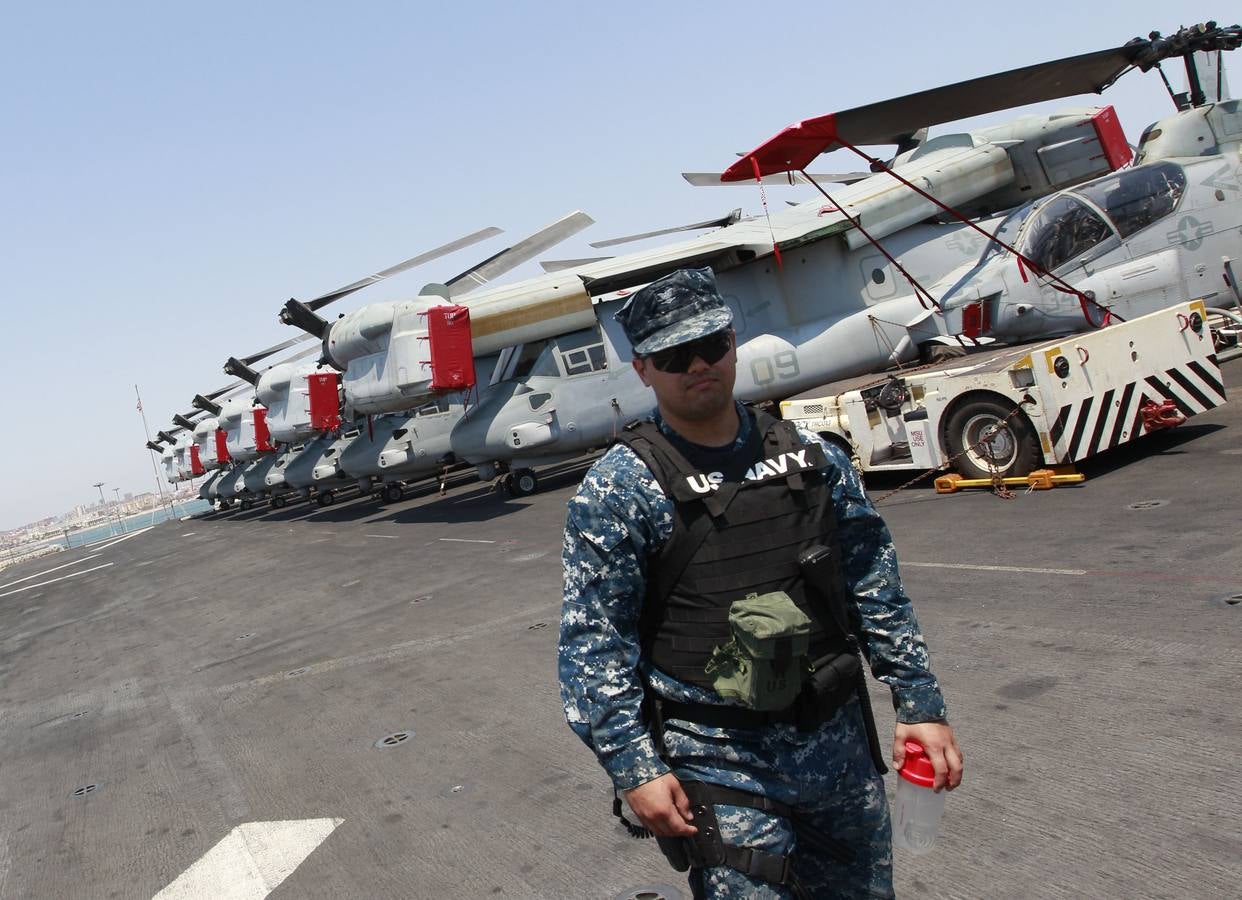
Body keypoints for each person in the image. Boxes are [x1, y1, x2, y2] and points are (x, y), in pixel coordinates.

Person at [558, 267, 962, 898]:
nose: (699, 364)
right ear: (642, 369)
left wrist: (920, 706)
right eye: (673, 355)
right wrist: (633, 766)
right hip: (720, 756)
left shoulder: (811, 456)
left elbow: (873, 583)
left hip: (837, 747)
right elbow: (594, 645)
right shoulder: (620, 490)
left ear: (733, 341)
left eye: (712, 344)